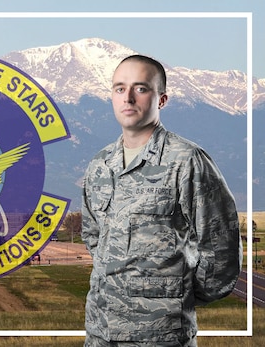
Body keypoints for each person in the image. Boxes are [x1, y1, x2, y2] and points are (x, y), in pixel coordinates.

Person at [81, 54, 242, 346]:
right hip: (100, 332)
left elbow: (221, 247)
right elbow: (94, 236)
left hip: (159, 335)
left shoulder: (186, 161)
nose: (128, 97)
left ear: (162, 99)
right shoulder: (100, 165)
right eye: (119, 88)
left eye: (140, 88)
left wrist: (176, 295)